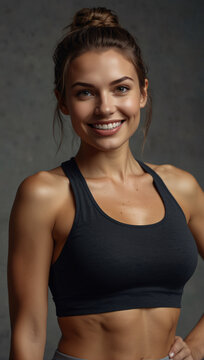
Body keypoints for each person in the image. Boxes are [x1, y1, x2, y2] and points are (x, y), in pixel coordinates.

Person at [7, 6, 204, 360]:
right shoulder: (45, 194)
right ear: (63, 102)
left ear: (142, 93)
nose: (105, 107)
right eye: (85, 93)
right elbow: (30, 330)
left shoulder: (181, 187)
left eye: (120, 89)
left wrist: (198, 345)